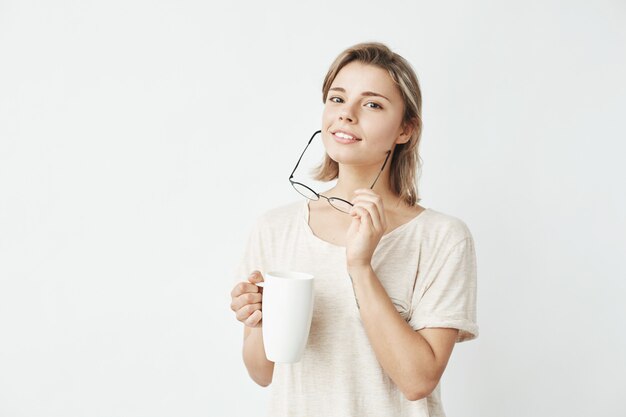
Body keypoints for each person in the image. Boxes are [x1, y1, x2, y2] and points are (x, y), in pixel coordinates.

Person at [230, 41, 478, 417]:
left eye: (372, 104)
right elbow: (262, 372)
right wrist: (260, 319)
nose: (346, 115)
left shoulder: (442, 237)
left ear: (405, 130)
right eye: (337, 99)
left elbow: (417, 381)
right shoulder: (274, 229)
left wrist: (361, 267)